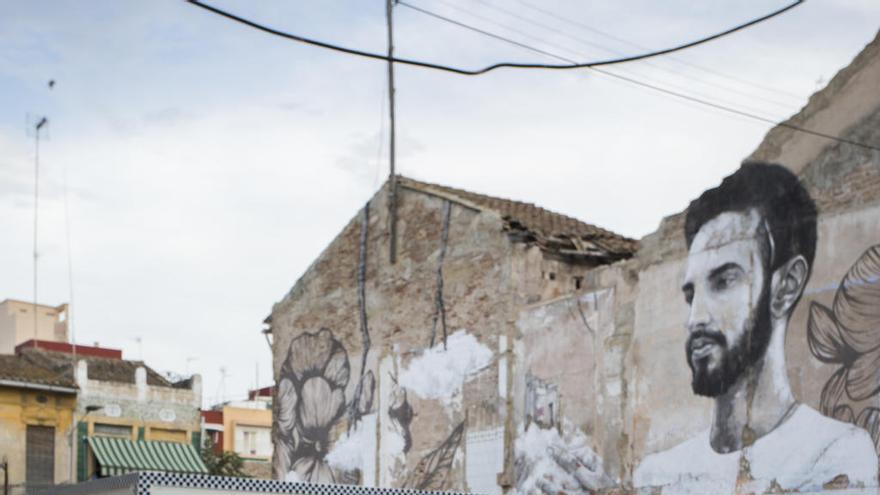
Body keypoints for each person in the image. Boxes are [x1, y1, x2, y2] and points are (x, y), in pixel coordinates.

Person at [634, 163, 877, 493]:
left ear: (785, 287)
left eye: (724, 281)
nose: (695, 318)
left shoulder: (834, 455)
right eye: (691, 294)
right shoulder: (659, 475)